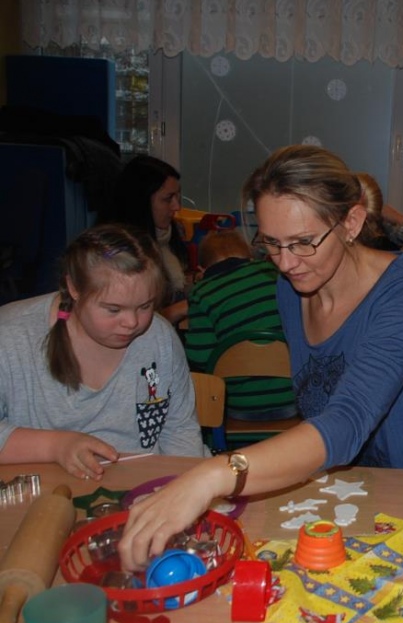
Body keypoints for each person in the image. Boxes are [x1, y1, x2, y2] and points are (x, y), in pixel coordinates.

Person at [119, 145, 403, 571]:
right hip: (363, 489)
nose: (286, 263)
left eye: (302, 242)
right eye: (272, 244)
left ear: (351, 222)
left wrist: (211, 475)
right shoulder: (290, 289)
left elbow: (346, 420)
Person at [0, 224, 206, 481]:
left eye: (145, 306)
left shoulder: (160, 337)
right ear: (74, 288)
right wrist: (56, 446)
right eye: (113, 309)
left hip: (143, 489)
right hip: (42, 494)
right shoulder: (11, 336)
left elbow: (180, 430)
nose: (132, 322)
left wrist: (184, 486)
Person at [184, 229, 297, 421]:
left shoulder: (202, 294)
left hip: (240, 407)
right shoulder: (273, 274)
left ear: (202, 270)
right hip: (293, 400)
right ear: (250, 257)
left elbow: (200, 357)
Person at [99, 155, 190, 324]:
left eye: (177, 197)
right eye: (168, 199)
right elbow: (129, 324)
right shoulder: (115, 254)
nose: (177, 206)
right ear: (141, 202)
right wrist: (182, 308)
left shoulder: (167, 236)